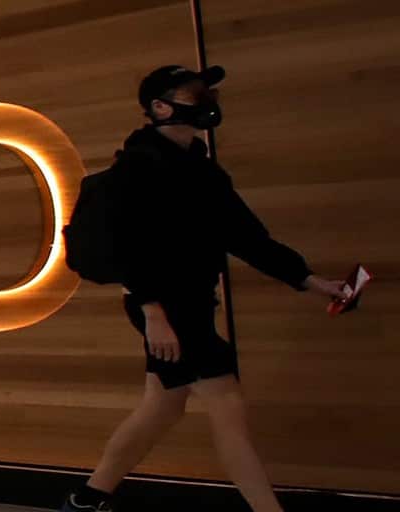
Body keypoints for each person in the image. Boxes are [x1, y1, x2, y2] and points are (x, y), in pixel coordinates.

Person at [59, 65, 352, 512]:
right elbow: (127, 248)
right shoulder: (134, 171)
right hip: (164, 307)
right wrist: (152, 312)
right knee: (227, 405)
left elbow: (249, 238)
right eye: (193, 95)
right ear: (159, 107)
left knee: (163, 407)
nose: (207, 102)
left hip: (194, 301)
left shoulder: (203, 172)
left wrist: (311, 282)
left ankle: (87, 497)